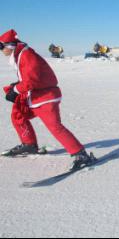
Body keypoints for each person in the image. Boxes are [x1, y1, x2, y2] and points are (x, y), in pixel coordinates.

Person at [0, 29, 94, 170]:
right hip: (35, 95)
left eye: (1, 47)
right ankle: (29, 144)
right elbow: (29, 78)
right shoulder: (20, 55)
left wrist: (16, 90)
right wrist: (16, 86)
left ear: (10, 45)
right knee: (18, 115)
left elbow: (32, 79)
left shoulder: (26, 55)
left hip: (46, 97)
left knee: (55, 126)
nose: (1, 50)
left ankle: (81, 155)